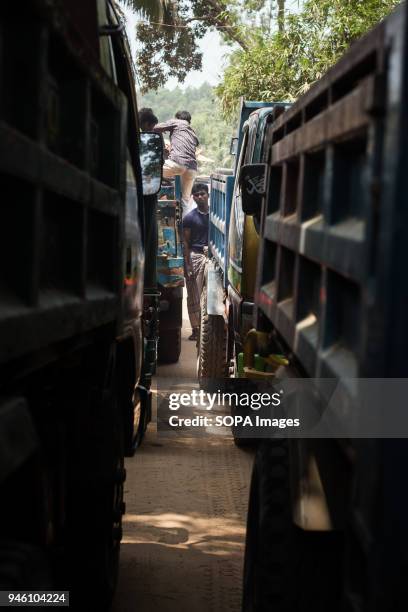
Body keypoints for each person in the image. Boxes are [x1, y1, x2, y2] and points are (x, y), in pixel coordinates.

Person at [153, 110, 199, 213]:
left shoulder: (177, 122)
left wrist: (164, 129)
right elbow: (194, 144)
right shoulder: (192, 131)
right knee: (185, 200)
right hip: (192, 168)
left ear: (177, 117)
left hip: (177, 163)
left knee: (151, 172)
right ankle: (184, 226)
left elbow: (155, 127)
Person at [182, 182, 209, 341]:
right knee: (193, 294)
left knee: (208, 294)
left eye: (202, 193)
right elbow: (185, 242)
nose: (200, 196)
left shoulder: (215, 215)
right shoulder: (189, 218)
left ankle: (207, 326)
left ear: (207, 195)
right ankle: (195, 328)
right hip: (195, 256)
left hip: (211, 257)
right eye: (196, 194)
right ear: (193, 197)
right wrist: (188, 264)